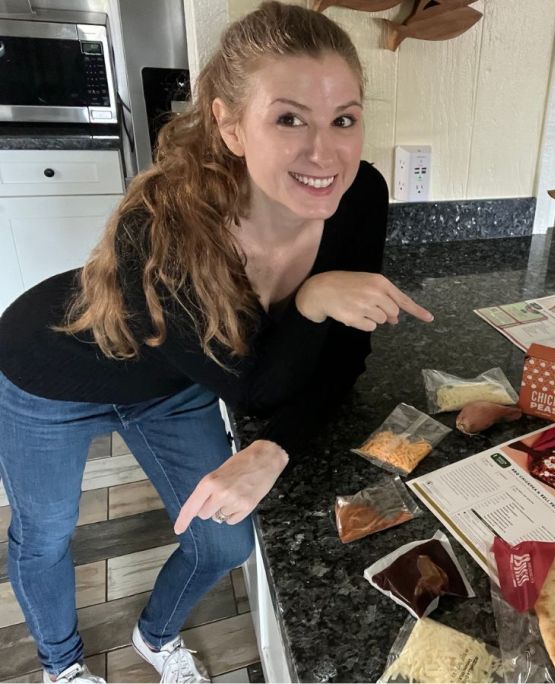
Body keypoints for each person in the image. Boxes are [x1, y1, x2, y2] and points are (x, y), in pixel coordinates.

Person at [0, 3, 432, 683]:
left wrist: (275, 444)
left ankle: (155, 631)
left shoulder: (360, 196)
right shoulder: (166, 224)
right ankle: (61, 667)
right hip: (49, 371)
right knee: (46, 534)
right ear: (230, 124)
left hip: (170, 383)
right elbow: (254, 386)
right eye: (289, 118)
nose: (325, 152)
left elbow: (347, 355)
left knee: (223, 541)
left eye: (343, 119)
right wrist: (315, 300)